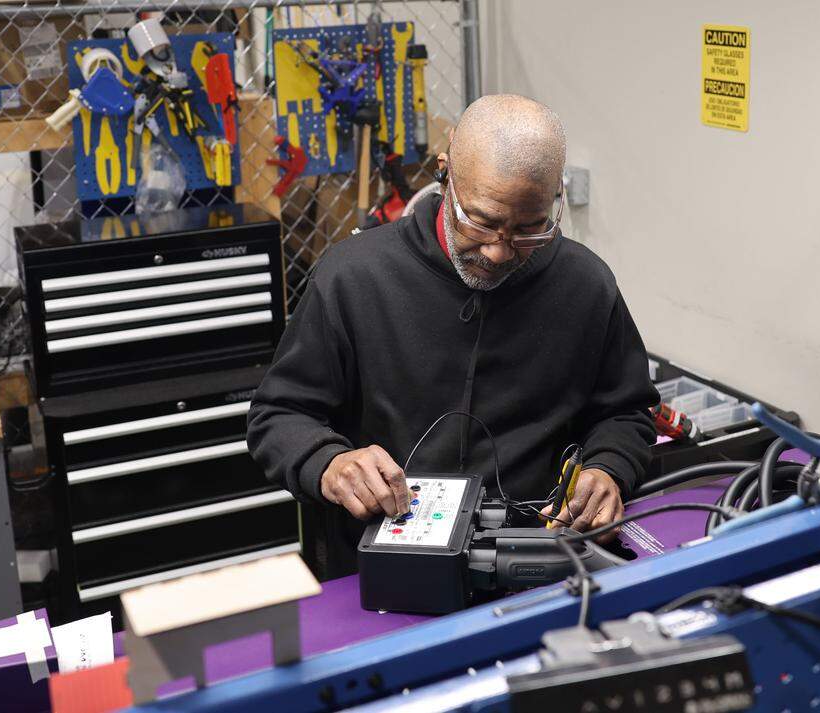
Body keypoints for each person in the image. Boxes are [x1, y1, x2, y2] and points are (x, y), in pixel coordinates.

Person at [248, 94, 659, 576]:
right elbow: (279, 415)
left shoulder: (585, 285)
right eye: (481, 222)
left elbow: (627, 412)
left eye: (529, 229)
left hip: (538, 562)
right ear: (445, 173)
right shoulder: (353, 279)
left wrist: (608, 468)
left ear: (556, 199)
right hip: (382, 567)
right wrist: (330, 463)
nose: (499, 251)